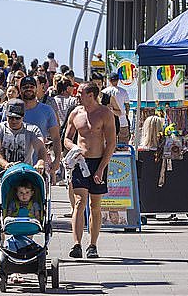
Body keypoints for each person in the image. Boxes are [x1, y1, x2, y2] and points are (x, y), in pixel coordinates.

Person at [0, 99, 48, 251]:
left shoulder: (32, 130)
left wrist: (40, 161)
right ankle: (3, 255)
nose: (13, 121)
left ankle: (22, 250)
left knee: (27, 218)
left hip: (23, 180)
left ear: (23, 116)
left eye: (17, 118)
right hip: (0, 181)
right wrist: (5, 164)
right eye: (10, 117)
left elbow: (40, 148)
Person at [64, 82, 116, 259]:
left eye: (80, 92)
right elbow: (67, 139)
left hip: (98, 162)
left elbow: (111, 143)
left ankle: (92, 244)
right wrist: (74, 149)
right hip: (80, 162)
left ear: (92, 95)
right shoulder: (75, 113)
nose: (77, 95)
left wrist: (101, 168)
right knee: (79, 202)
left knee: (95, 205)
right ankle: (76, 244)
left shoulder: (105, 113)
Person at [102, 72, 130, 144]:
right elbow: (127, 106)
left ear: (109, 80)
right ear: (118, 80)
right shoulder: (123, 91)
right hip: (122, 120)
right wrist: (126, 114)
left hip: (108, 122)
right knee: (123, 146)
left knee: (109, 144)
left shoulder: (104, 92)